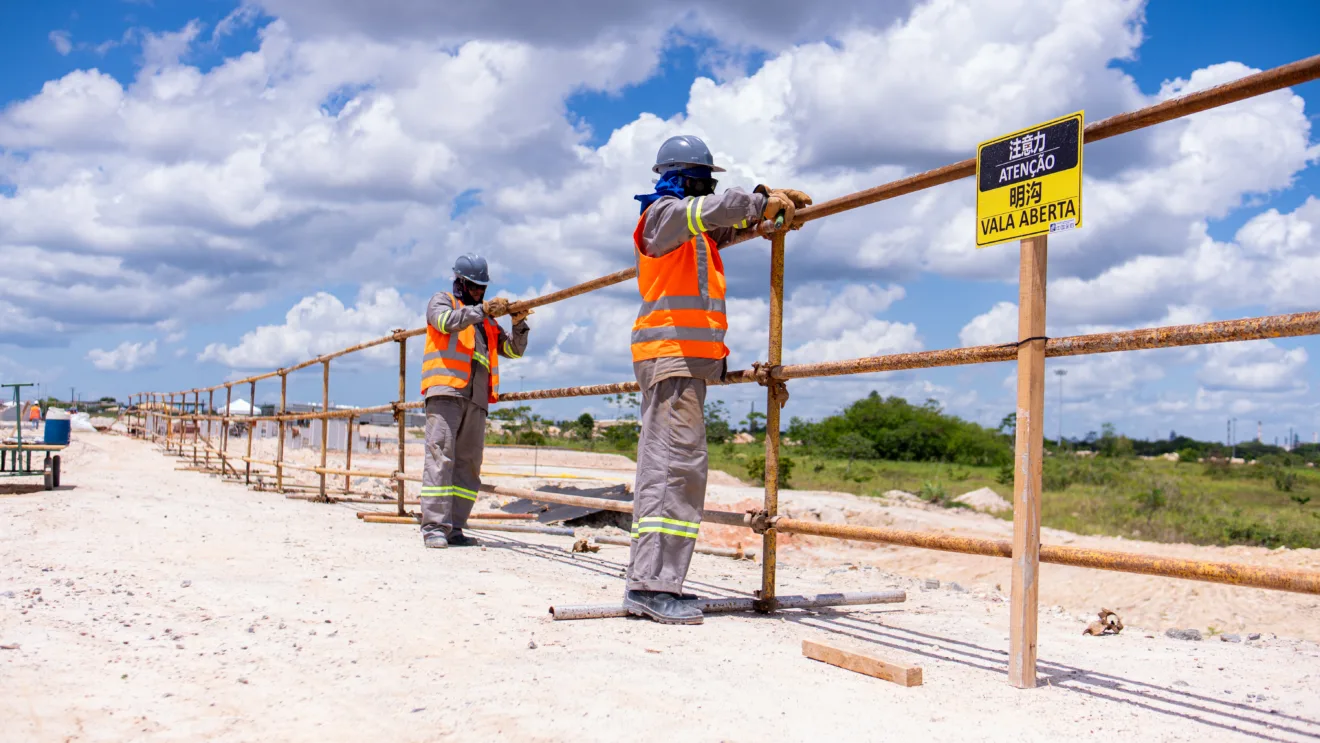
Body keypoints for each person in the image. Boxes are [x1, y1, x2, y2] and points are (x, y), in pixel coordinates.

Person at [624, 134, 811, 624]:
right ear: (683, 178)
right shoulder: (662, 216)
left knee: (678, 470)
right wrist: (758, 201)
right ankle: (649, 586)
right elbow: (716, 209)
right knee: (671, 470)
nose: (707, 187)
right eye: (703, 179)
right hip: (672, 359)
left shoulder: (693, 231)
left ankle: (658, 582)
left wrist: (763, 202)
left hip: (687, 363)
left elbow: (726, 218)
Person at [419, 253, 531, 549]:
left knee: (468, 465)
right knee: (440, 458)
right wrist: (481, 310)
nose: (480, 292)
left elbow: (514, 351)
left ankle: (455, 526)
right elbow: (444, 323)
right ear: (460, 282)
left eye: (483, 287)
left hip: (476, 398)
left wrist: (519, 324)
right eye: (474, 286)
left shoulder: (487, 322)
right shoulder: (443, 302)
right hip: (446, 392)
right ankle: (434, 527)